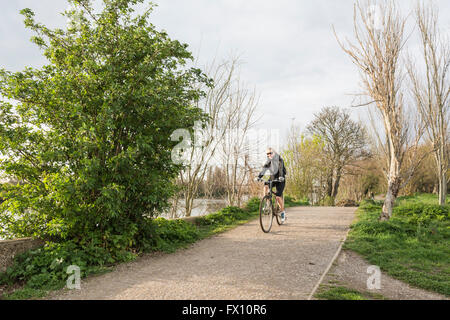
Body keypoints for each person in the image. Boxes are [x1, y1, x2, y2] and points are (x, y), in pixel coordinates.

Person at [258, 148, 287, 222]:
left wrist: (281, 176)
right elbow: (264, 169)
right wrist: (259, 176)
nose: (269, 155)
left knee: (277, 197)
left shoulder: (280, 159)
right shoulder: (269, 161)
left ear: (274, 153)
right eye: (267, 154)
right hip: (272, 179)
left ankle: (283, 212)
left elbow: (280, 168)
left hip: (280, 180)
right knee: (266, 186)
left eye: (270, 153)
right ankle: (267, 204)